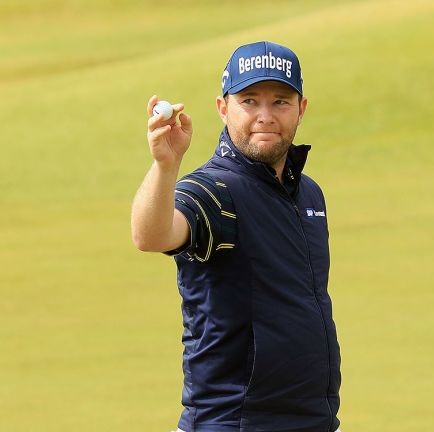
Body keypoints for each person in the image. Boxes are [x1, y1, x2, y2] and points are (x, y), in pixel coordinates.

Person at [131, 41, 341, 432]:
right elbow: (152, 236)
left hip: (314, 420)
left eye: (280, 102)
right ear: (223, 108)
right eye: (249, 101)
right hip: (234, 422)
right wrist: (165, 168)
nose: (265, 116)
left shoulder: (308, 193)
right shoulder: (214, 191)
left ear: (301, 109)